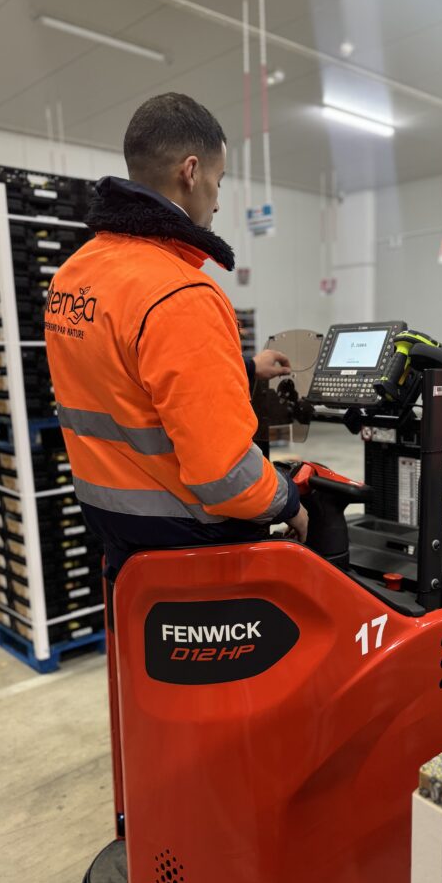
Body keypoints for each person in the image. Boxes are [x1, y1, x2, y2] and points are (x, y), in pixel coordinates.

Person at [45, 92, 308, 575]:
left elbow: (128, 377)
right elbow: (227, 476)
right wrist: (289, 502)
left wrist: (246, 368)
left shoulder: (73, 274)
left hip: (116, 528)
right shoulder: (180, 293)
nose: (218, 199)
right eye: (218, 180)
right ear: (191, 172)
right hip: (189, 544)